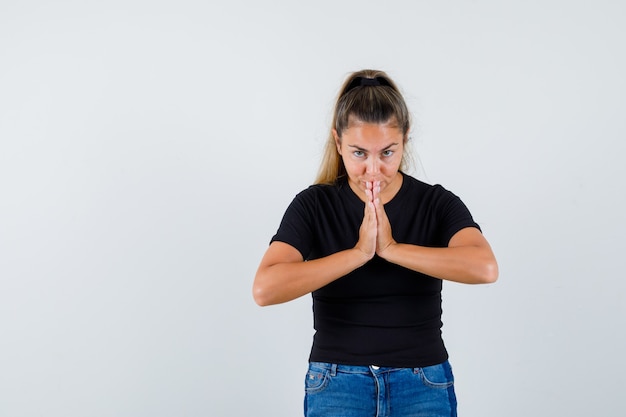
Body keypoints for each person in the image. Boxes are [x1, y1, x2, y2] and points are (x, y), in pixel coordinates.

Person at [252, 69, 498, 417]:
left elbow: (485, 268)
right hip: (336, 383)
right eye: (358, 153)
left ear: (405, 140)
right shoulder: (314, 205)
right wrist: (358, 253)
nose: (373, 169)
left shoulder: (435, 203)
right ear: (338, 142)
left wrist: (393, 249)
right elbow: (265, 288)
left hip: (422, 382)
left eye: (386, 152)